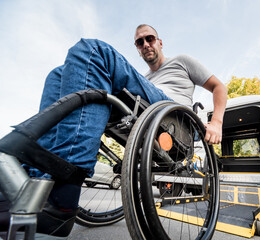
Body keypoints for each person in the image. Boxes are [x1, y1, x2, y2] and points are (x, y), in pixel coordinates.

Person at [0, 24, 227, 239]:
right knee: (57, 75)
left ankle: (64, 192)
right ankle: (35, 180)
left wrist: (216, 121)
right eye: (139, 42)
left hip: (173, 118)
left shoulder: (181, 61)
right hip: (145, 111)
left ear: (160, 42)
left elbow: (219, 86)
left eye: (150, 39)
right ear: (137, 49)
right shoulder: (145, 79)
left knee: (92, 50)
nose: (146, 44)